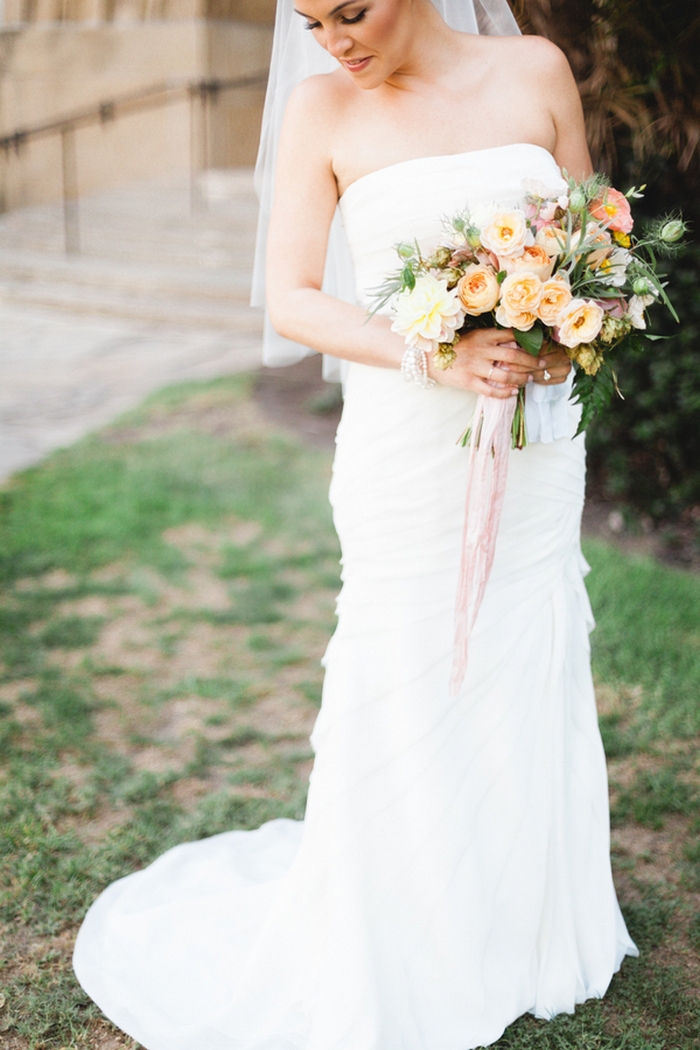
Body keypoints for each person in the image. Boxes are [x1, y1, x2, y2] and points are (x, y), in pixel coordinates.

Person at [73, 1, 638, 1047]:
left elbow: (594, 247)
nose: (333, 39)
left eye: (351, 11)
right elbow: (292, 299)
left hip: (539, 442)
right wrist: (437, 353)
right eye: (309, 18)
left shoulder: (534, 69)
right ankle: (398, 927)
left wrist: (564, 339)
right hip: (407, 451)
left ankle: (519, 918)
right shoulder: (320, 108)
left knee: (523, 645)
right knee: (407, 663)